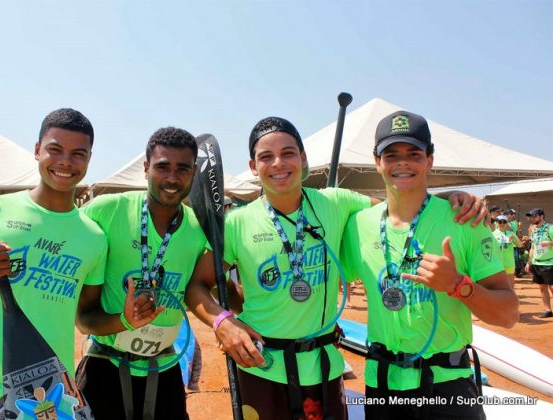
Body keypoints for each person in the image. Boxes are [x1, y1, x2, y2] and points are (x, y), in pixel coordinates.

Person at [185, 116, 485, 420]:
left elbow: (400, 205)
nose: (278, 163)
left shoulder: (337, 202)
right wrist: (224, 322)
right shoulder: (237, 223)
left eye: (288, 153)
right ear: (253, 166)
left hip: (324, 370)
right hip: (262, 368)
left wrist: (450, 201)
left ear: (303, 159)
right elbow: (197, 285)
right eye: (266, 156)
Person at [341, 110, 519, 419]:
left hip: (447, 388)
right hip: (384, 387)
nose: (402, 162)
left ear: (430, 160)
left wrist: (458, 285)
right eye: (391, 154)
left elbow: (508, 314)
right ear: (377, 161)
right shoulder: (358, 225)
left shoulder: (465, 221)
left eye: (414, 153)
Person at [0, 108, 108, 419]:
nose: (65, 161)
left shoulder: (94, 237)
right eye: (54, 149)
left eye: (77, 153)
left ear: (89, 158)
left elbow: (86, 318)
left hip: (53, 394)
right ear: (37, 150)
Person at [75, 127, 207, 420]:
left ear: (194, 172)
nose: (172, 178)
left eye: (182, 169)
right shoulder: (104, 211)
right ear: (146, 167)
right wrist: (123, 321)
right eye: (162, 167)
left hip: (164, 369)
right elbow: (83, 319)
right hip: (105, 368)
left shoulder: (200, 230)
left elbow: (204, 287)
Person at [524, 208, 553, 318]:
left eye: (535, 216)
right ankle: (548, 310)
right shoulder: (534, 230)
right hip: (537, 263)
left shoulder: (550, 228)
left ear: (541, 216)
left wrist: (550, 243)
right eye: (531, 216)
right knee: (542, 287)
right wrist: (528, 262)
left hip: (550, 262)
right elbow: (533, 247)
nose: (532, 218)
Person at [493, 215, 523, 288]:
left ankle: (510, 299)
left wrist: (514, 239)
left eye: (504, 222)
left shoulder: (511, 233)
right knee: (498, 286)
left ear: (506, 223)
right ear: (497, 223)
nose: (502, 224)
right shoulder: (493, 234)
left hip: (509, 263)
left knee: (510, 286)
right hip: (497, 263)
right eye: (500, 222)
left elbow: (520, 245)